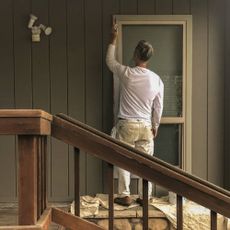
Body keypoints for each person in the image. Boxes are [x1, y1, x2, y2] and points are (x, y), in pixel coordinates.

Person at [106, 24, 164, 206]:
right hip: (146, 127)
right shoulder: (156, 80)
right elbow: (159, 106)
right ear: (148, 58)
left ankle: (125, 195)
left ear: (135, 55)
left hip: (127, 125)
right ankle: (145, 197)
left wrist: (113, 39)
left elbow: (110, 61)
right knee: (146, 163)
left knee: (124, 160)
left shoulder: (128, 74)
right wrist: (156, 126)